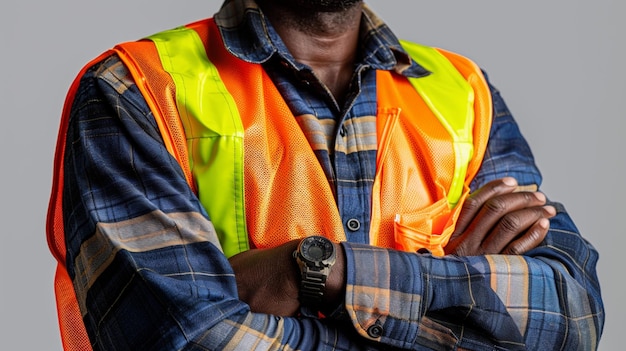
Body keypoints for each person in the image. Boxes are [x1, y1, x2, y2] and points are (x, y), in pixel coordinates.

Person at [46, 0, 604, 350]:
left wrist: (312, 269)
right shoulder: (135, 90)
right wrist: (450, 304)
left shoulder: (464, 94)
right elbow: (188, 338)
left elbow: (571, 317)